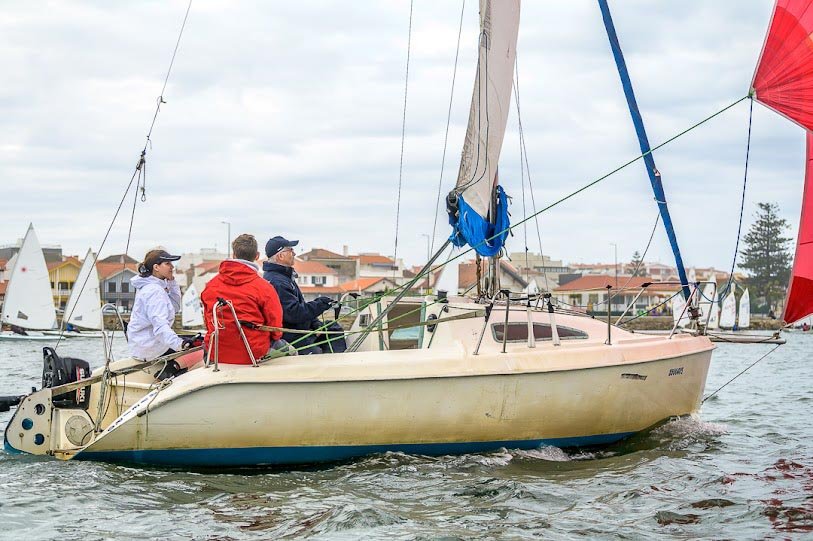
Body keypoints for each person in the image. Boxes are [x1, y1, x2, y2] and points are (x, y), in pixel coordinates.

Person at [201, 234, 291, 364]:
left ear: (234, 255)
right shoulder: (264, 288)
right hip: (253, 353)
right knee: (293, 354)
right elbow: (275, 327)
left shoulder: (210, 286)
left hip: (217, 353)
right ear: (257, 256)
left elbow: (208, 320)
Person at [262, 235, 342, 354]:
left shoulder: (283, 277)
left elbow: (299, 305)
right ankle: (334, 368)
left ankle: (337, 363)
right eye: (290, 250)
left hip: (300, 331)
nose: (294, 253)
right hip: (293, 336)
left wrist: (315, 323)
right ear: (280, 256)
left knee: (333, 329)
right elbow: (293, 313)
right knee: (319, 351)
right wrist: (320, 304)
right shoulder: (278, 282)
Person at [128, 249, 194, 360]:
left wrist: (172, 282)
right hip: (150, 348)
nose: (172, 267)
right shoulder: (154, 291)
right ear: (156, 267)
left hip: (146, 344)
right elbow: (159, 324)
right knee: (198, 352)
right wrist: (180, 344)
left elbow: (175, 307)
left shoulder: (153, 286)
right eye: (168, 263)